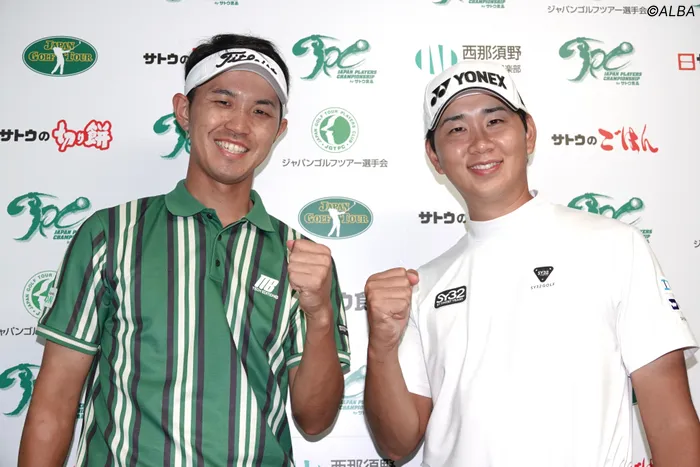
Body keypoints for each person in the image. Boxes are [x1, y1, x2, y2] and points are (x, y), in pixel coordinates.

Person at [18, 33, 351, 467]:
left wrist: (320, 315)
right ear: (184, 111)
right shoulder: (110, 234)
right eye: (223, 101)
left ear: (279, 131)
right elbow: (55, 401)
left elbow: (315, 419)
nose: (239, 125)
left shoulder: (303, 258)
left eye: (261, 111)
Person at [363, 60, 700, 466]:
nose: (480, 142)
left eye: (495, 121)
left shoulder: (615, 245)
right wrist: (381, 346)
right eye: (456, 129)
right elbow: (396, 444)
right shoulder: (424, 285)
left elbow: (673, 423)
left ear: (529, 133)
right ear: (434, 156)